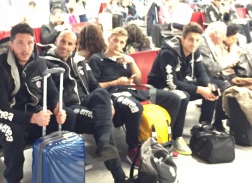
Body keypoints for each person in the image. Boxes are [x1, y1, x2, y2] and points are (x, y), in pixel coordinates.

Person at [0, 23, 76, 183]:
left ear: (34, 43)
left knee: (70, 116)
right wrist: (33, 118)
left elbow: (52, 93)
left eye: (30, 43)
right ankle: (13, 179)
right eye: (20, 43)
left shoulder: (39, 63)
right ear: (11, 45)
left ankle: (55, 171)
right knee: (14, 133)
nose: (26, 48)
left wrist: (59, 108)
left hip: (31, 117)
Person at [88, 27, 191, 162]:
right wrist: (115, 82)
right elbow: (93, 87)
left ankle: (164, 137)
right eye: (115, 41)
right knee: (135, 108)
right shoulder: (97, 59)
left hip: (133, 90)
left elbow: (138, 81)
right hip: (112, 94)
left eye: (122, 42)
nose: (118, 45)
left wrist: (131, 62)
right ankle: (133, 148)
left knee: (174, 98)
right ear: (108, 40)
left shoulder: (125, 58)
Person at [44, 30, 131, 183]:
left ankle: (104, 144)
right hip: (68, 108)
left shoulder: (80, 62)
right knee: (100, 122)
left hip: (85, 101)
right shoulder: (46, 62)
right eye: (62, 41)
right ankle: (120, 177)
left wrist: (109, 102)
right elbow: (50, 94)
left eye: (69, 44)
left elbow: (95, 86)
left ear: (75, 46)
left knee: (102, 94)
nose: (65, 46)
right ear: (56, 40)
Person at [148, 22, 230, 132]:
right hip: (159, 86)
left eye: (197, 40)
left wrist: (208, 85)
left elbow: (201, 73)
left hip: (180, 82)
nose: (194, 44)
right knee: (183, 95)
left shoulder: (194, 51)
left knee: (215, 88)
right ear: (183, 39)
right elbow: (172, 83)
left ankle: (205, 126)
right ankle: (176, 136)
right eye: (191, 40)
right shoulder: (168, 53)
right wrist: (199, 90)